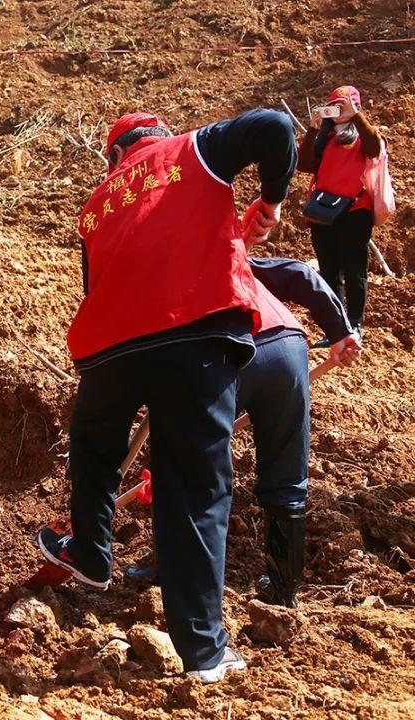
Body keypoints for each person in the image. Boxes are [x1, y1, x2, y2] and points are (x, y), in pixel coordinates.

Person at [36, 108, 297, 684]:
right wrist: (271, 203)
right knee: (193, 492)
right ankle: (203, 653)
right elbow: (277, 129)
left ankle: (91, 553)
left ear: (113, 156)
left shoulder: (95, 205)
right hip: (195, 335)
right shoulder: (195, 148)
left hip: (110, 349)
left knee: (95, 447)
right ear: (158, 137)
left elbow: (95, 287)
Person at [125, 257, 362, 609]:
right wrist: (340, 331)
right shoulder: (223, 246)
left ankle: (170, 571)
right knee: (286, 472)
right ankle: (282, 589)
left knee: (179, 462)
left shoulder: (156, 265)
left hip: (223, 354)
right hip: (286, 348)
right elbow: (299, 273)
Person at [299, 85, 383, 341]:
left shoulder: (363, 134)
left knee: (354, 269)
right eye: (333, 105)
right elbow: (303, 164)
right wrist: (313, 128)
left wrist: (355, 115)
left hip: (354, 211)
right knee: (329, 270)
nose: (337, 111)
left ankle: (354, 325)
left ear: (355, 107)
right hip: (323, 214)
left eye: (342, 106)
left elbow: (374, 149)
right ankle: (336, 329)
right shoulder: (325, 136)